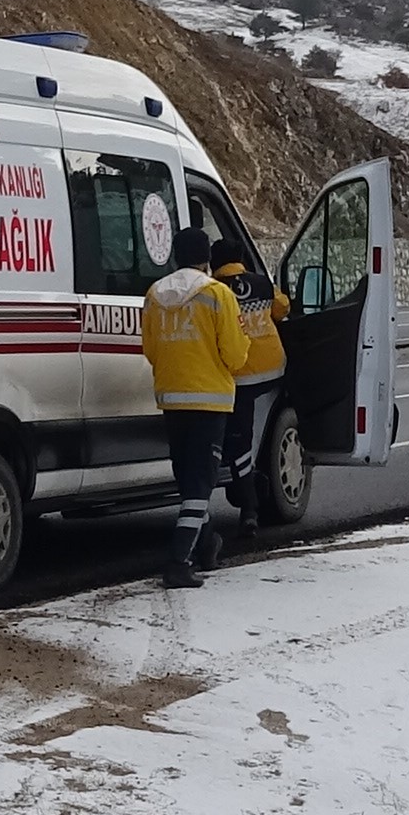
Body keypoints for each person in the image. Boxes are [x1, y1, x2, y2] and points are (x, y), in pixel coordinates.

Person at [140, 227, 253, 588]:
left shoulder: (154, 295)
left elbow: (150, 351)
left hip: (172, 400)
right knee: (200, 485)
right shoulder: (218, 294)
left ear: (174, 256)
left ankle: (206, 546)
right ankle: (178, 562)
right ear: (206, 259)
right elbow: (235, 355)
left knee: (188, 478)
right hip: (209, 401)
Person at [216, 245, 286, 543]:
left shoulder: (215, 289)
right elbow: (283, 308)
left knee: (239, 441)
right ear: (242, 260)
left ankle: (249, 505)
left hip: (239, 377)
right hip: (274, 370)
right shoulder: (261, 283)